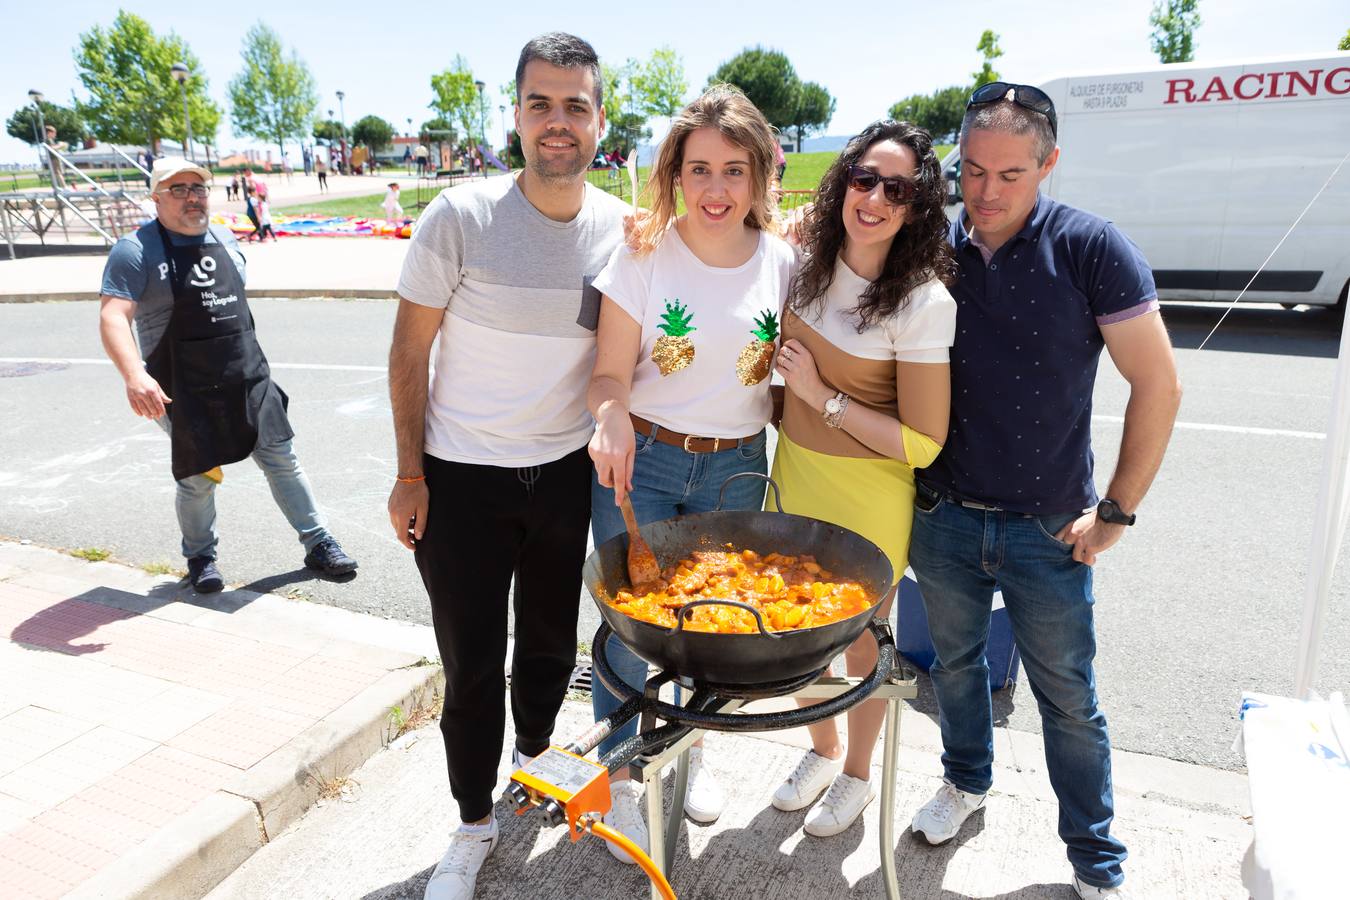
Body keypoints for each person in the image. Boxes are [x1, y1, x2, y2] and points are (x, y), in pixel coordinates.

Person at [905, 83, 1182, 900]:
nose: (985, 193)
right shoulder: (933, 245)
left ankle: (1095, 859)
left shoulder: (1093, 249)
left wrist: (1119, 511)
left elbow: (1158, 384)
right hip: (942, 516)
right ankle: (965, 783)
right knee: (953, 670)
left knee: (1068, 699)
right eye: (972, 170)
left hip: (1052, 528)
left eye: (1011, 175)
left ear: (1050, 165)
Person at [387, 33, 628, 900]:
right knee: (472, 666)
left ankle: (534, 769)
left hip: (564, 478)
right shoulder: (461, 215)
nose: (557, 122)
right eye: (540, 104)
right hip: (461, 482)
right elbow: (408, 353)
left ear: (601, 118)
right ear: (517, 115)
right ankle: (472, 821)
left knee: (550, 651)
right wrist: (410, 474)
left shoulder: (617, 230)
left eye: (575, 105)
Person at [587, 85, 795, 858]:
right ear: (676, 171)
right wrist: (609, 420)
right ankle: (620, 781)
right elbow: (609, 376)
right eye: (700, 168)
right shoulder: (643, 251)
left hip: (737, 469)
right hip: (643, 464)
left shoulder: (784, 263)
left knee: (709, 625)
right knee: (626, 627)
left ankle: (691, 749)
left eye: (734, 170)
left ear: (759, 176)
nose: (716, 189)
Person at [768, 120, 957, 837]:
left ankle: (856, 775)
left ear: (916, 206)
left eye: (897, 188)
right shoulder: (802, 263)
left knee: (863, 641)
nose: (875, 197)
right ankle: (821, 749)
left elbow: (924, 443)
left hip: (869, 495)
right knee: (790, 632)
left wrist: (822, 397)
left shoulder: (923, 301)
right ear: (843, 181)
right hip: (793, 475)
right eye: (864, 178)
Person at [96, 158, 358, 594]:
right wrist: (134, 375)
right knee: (199, 477)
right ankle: (201, 558)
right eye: (177, 189)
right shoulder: (135, 250)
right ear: (155, 198)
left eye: (197, 187)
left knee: (282, 459)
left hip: (247, 377)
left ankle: (318, 542)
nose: (191, 197)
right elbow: (112, 316)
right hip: (182, 387)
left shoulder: (223, 236)